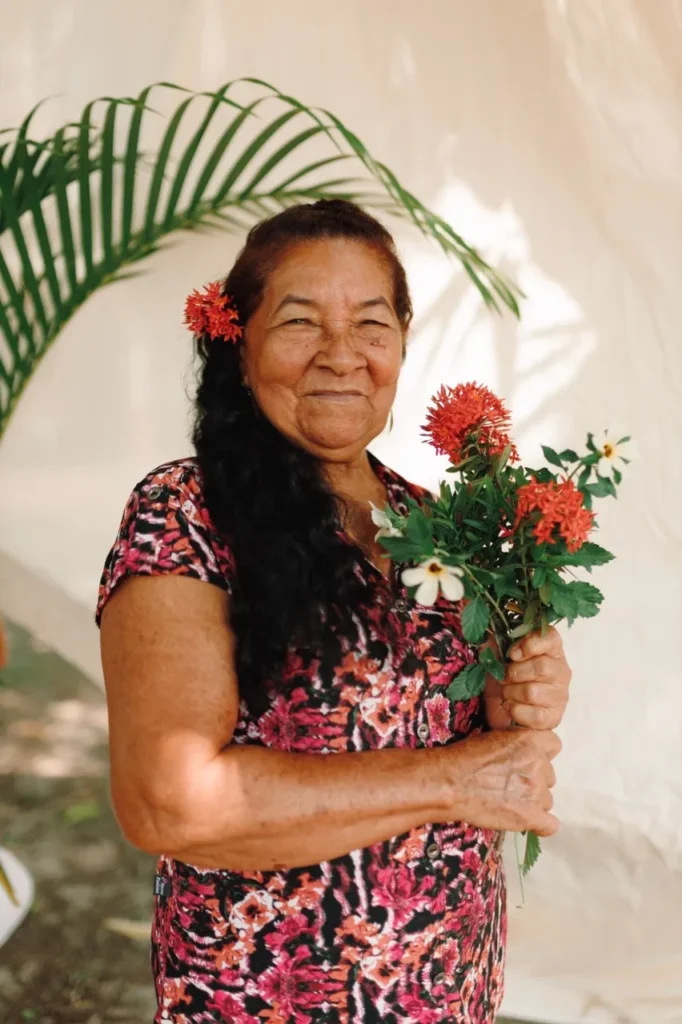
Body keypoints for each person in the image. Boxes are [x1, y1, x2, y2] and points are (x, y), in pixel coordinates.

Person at [97, 199, 571, 1024]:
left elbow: (475, 733)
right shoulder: (186, 513)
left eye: (371, 323)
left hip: (447, 989)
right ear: (236, 341)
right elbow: (167, 802)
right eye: (300, 322)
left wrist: (528, 687)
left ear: (401, 342)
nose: (342, 355)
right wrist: (456, 780)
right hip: (266, 999)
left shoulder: (438, 527)